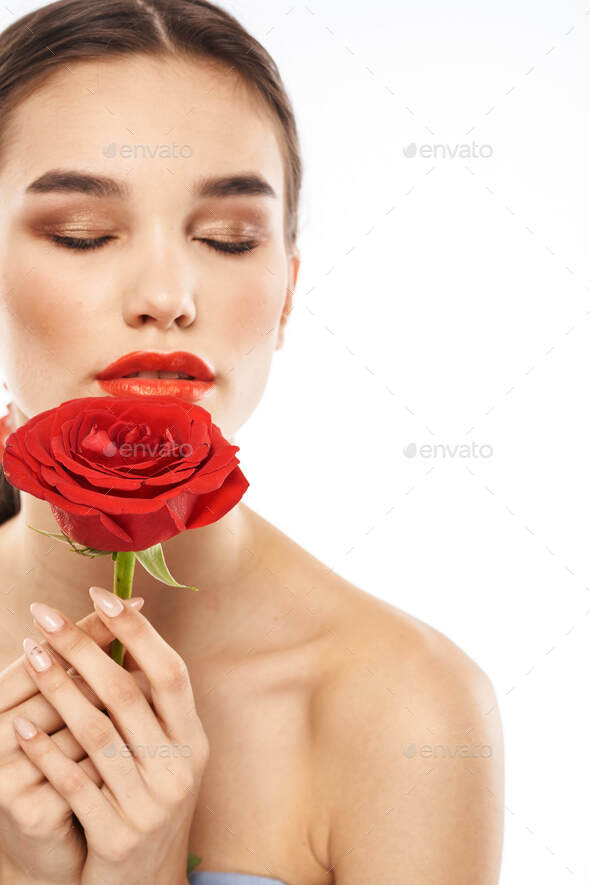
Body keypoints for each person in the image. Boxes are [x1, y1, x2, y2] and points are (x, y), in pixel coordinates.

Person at [0, 1, 505, 883]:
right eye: (83, 233)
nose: (167, 294)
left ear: (287, 293)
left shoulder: (409, 709)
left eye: (227, 238)